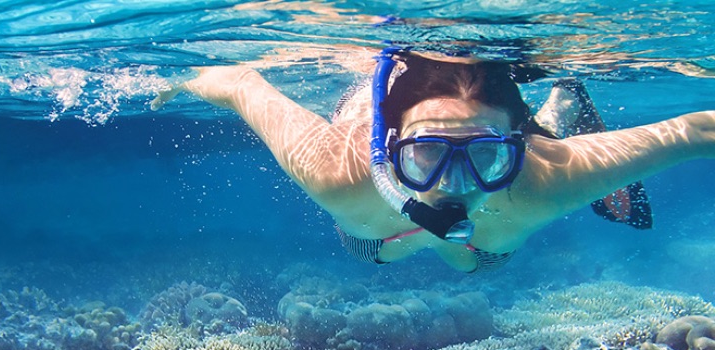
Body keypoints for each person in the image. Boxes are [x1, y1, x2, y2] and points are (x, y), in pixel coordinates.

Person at [154, 50, 715, 273]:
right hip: (379, 242)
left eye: (487, 156)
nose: (455, 185)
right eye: (425, 152)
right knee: (381, 253)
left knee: (477, 265)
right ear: (390, 146)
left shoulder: (547, 176)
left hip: (486, 242)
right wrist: (179, 81)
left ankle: (557, 105)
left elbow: (697, 130)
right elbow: (241, 83)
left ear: (515, 146)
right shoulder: (337, 170)